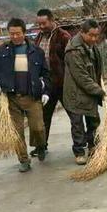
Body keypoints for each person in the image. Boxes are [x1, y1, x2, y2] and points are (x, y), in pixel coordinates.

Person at [0, 18, 50, 172]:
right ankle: (23, 160)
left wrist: (46, 91)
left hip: (32, 96)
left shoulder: (36, 52)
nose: (15, 37)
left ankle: (40, 146)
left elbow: (47, 74)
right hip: (12, 98)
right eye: (11, 34)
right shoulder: (3, 51)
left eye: (18, 33)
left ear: (24, 32)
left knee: (38, 128)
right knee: (17, 131)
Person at [63, 19, 105, 165]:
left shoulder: (92, 47)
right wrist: (98, 90)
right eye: (91, 35)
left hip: (89, 92)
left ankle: (94, 147)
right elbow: (81, 76)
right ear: (82, 33)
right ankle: (79, 151)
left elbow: (96, 69)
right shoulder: (73, 50)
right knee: (77, 124)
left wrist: (98, 86)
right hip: (75, 93)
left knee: (93, 120)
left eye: (96, 35)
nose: (94, 39)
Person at [31, 8, 72, 157]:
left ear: (52, 20)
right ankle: (41, 146)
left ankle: (80, 143)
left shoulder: (63, 36)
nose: (41, 26)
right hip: (46, 86)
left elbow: (70, 61)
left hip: (62, 83)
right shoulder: (38, 38)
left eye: (44, 23)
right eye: (39, 24)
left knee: (73, 114)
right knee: (42, 118)